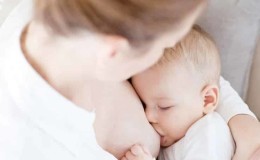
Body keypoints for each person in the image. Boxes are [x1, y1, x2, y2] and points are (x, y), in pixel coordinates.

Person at [0, 0, 259, 160]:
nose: (151, 116)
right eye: (163, 45)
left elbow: (189, 69)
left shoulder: (69, 21)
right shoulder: (47, 147)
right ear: (115, 52)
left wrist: (241, 120)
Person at [121, 25, 234, 160]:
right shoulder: (178, 136)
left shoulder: (208, 134)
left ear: (207, 100)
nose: (149, 116)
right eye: (143, 104)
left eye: (164, 106)